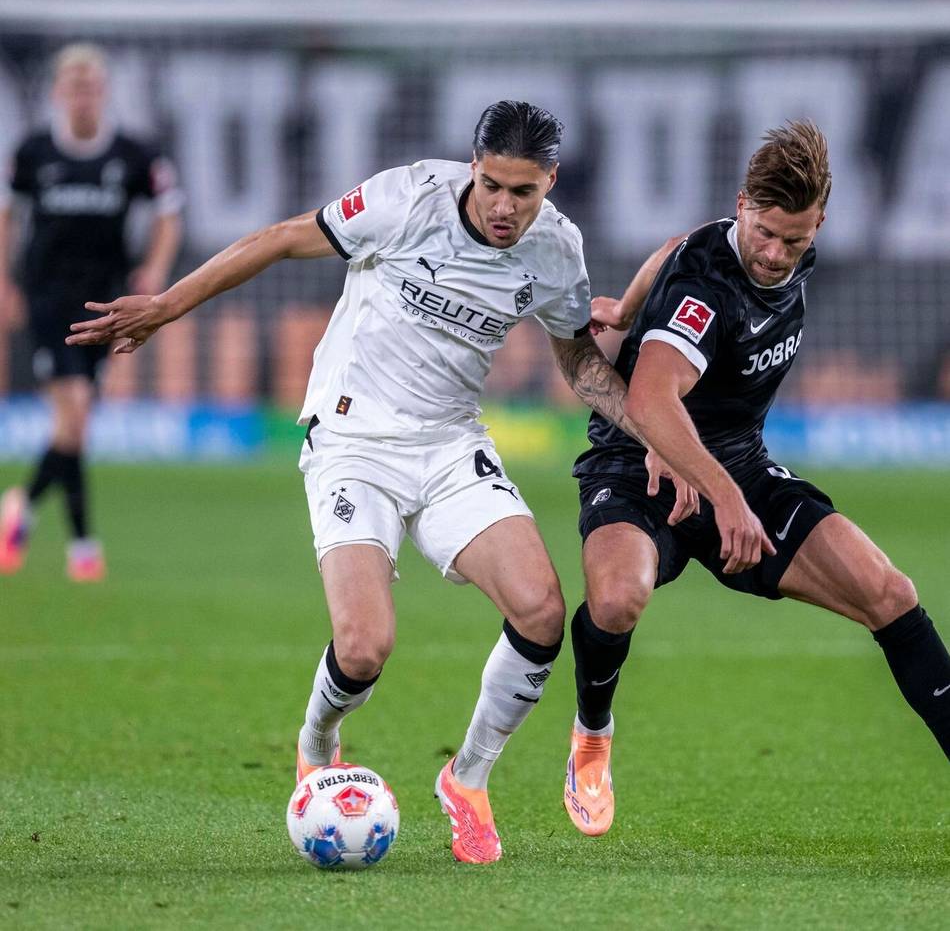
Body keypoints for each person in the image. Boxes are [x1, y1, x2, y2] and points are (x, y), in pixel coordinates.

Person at [65, 100, 686, 863]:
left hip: (452, 443)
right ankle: (317, 741)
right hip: (353, 439)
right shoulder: (409, 198)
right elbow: (280, 238)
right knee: (363, 648)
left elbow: (579, 365)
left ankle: (468, 780)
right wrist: (166, 306)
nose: (503, 206)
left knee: (542, 611)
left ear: (549, 183)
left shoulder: (556, 250)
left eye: (523, 192)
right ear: (473, 164)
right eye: (492, 184)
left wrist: (658, 438)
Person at [563, 121, 950, 837]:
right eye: (764, 233)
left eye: (793, 241)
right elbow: (650, 400)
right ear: (744, 204)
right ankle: (592, 732)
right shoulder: (706, 288)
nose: (774, 254)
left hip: (738, 462)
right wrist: (725, 497)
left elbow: (681, 240)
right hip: (639, 459)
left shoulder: (770, 243)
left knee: (890, 594)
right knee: (617, 600)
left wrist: (625, 303)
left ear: (818, 225)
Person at [0, 43, 183, 581]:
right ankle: (81, 546)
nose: (83, 97)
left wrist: (154, 269)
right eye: (73, 87)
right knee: (75, 412)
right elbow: (8, 215)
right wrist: (5, 280)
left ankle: (27, 509)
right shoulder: (33, 153)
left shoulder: (134, 154)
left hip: (106, 302)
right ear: (58, 93)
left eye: (91, 87)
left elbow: (170, 213)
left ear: (103, 93)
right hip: (48, 300)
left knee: (73, 424)